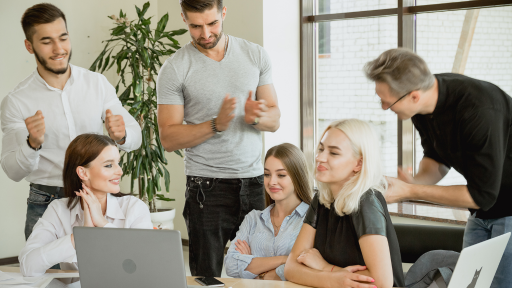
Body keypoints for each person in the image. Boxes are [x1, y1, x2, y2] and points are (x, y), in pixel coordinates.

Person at [365, 48, 512, 288]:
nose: (383, 107)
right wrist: (416, 182)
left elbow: (481, 195)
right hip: (482, 213)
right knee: (469, 284)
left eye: (386, 101)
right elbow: (436, 159)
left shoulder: (478, 109)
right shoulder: (421, 106)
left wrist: (409, 192)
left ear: (413, 95)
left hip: (505, 206)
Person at [156, 0, 280, 277]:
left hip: (255, 184)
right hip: (206, 188)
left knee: (261, 272)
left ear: (223, 13)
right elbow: (168, 137)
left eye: (212, 23)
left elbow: (275, 119)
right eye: (196, 26)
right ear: (184, 19)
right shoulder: (175, 68)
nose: (205, 33)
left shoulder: (255, 55)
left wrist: (256, 117)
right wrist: (215, 124)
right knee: (206, 276)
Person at [0, 3, 141, 240]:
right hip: (46, 201)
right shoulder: (16, 101)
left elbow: (135, 137)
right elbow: (12, 171)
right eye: (46, 41)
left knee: (100, 274)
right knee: (45, 274)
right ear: (29, 46)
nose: (59, 49)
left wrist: (122, 135)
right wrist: (31, 143)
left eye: (63, 38)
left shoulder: (97, 84)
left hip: (97, 199)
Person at [284, 119, 404, 288]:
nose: (320, 157)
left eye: (333, 153)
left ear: (359, 163)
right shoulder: (321, 199)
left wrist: (325, 268)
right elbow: (290, 268)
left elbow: (382, 281)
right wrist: (334, 278)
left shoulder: (367, 201)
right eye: (321, 149)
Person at [18, 134, 152, 277]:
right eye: (109, 165)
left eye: (118, 163)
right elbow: (28, 266)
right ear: (83, 172)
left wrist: (103, 224)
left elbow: (144, 264)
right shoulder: (58, 209)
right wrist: (80, 236)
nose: (119, 171)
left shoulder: (134, 207)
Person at [224, 143, 312, 281]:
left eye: (281, 175)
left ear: (297, 177)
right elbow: (231, 265)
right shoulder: (253, 218)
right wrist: (285, 259)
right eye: (267, 174)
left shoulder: (311, 219)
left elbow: (307, 267)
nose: (272, 182)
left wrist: (255, 269)